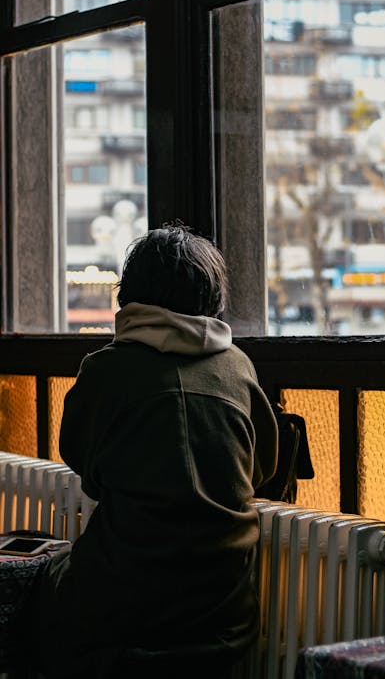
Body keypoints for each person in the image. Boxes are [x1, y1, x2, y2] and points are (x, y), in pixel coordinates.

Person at [26, 222, 278, 679]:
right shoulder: (238, 368)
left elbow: (90, 472)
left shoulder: (105, 370)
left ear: (130, 298)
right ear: (212, 298)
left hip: (124, 611)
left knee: (44, 586)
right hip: (225, 615)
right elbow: (262, 468)